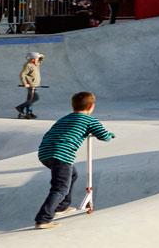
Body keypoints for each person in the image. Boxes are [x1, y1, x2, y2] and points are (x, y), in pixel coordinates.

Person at [34, 92, 115, 229]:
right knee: (60, 188)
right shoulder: (89, 120)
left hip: (45, 153)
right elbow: (103, 136)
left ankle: (62, 206)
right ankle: (43, 219)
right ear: (91, 106)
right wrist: (110, 135)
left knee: (72, 174)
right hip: (61, 155)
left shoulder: (64, 119)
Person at [17, 51, 44, 118]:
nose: (38, 59)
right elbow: (22, 74)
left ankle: (28, 113)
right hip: (31, 85)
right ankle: (20, 107)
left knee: (30, 99)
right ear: (33, 59)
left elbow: (42, 58)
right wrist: (25, 83)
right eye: (37, 58)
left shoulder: (36, 64)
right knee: (35, 98)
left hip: (35, 85)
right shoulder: (28, 65)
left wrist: (40, 55)